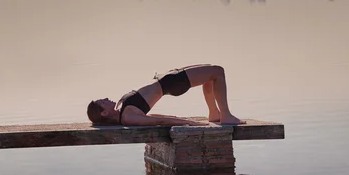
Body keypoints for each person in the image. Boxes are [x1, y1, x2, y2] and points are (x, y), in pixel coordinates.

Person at [86, 64, 246, 126]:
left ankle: (214, 113)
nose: (107, 99)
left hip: (169, 79)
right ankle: (226, 115)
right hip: (173, 83)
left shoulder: (122, 110)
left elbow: (154, 115)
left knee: (211, 76)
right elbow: (159, 120)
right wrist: (191, 123)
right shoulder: (127, 117)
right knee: (217, 72)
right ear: (104, 112)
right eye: (103, 102)